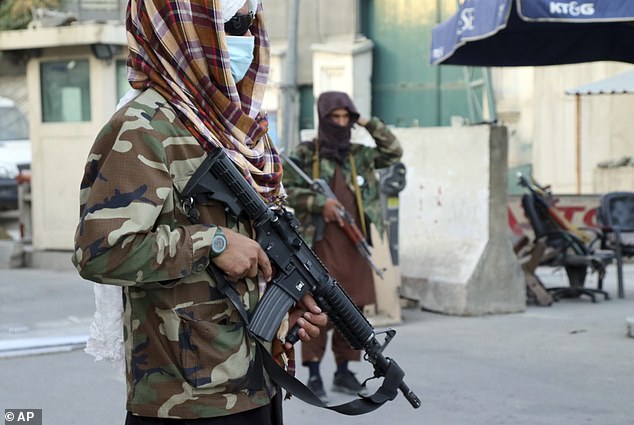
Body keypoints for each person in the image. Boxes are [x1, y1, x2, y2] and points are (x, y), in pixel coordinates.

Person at [71, 0, 327, 424]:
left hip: (255, 383)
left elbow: (256, 244)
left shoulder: (241, 129)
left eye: (251, 23)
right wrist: (213, 243)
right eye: (234, 23)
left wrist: (283, 304)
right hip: (187, 401)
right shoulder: (144, 125)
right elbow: (99, 251)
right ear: (188, 29)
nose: (247, 38)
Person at [282, 91, 403, 403]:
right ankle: (312, 372)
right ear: (323, 119)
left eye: (345, 117)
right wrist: (320, 203)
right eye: (334, 118)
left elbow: (393, 151)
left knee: (354, 307)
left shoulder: (360, 155)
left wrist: (364, 120)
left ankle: (344, 370)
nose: (340, 123)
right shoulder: (307, 153)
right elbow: (286, 188)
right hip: (319, 243)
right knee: (317, 307)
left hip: (354, 243)